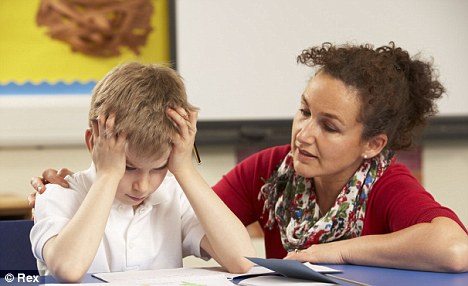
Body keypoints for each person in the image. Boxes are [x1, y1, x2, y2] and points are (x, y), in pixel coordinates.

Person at [30, 42, 468, 273]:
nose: (304, 134)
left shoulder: (387, 184)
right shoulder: (271, 170)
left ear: (372, 144)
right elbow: (207, 222)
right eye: (303, 111)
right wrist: (103, 179)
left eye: (329, 126)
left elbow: (453, 247)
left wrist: (335, 252)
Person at [29, 62, 254, 283]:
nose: (142, 186)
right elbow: (69, 269)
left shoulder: (174, 197)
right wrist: (109, 175)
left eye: (158, 168)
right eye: (128, 167)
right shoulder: (57, 194)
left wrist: (184, 168)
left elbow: (244, 262)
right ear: (93, 142)